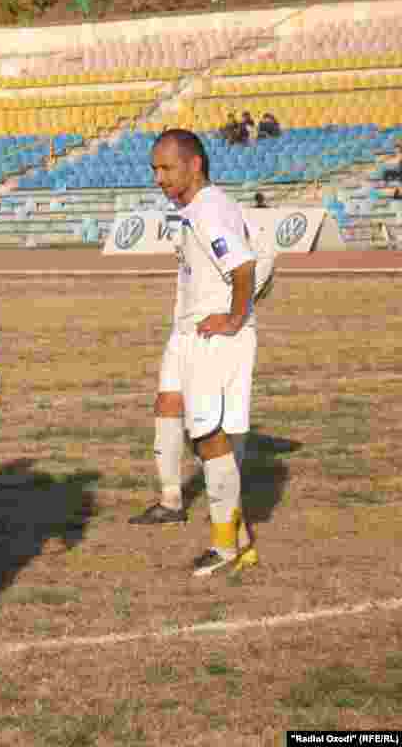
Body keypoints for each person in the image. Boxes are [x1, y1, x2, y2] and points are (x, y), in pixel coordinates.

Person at [129, 129, 262, 577]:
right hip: (187, 332)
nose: (158, 178)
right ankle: (179, 506)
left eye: (166, 168)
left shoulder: (210, 210)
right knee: (171, 407)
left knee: (208, 436)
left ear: (195, 165)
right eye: (154, 169)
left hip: (213, 337)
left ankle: (230, 547)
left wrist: (233, 319)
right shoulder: (191, 210)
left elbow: (244, 266)